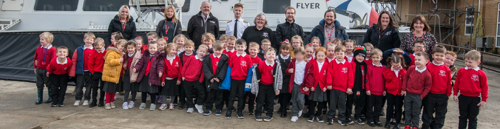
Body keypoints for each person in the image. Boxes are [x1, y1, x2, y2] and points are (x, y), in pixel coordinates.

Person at [453, 50, 488, 129]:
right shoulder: (461, 71)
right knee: (462, 116)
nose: (467, 64)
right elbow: (457, 83)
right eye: (466, 61)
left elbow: (485, 87)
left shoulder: (481, 74)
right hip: (463, 97)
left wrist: (484, 99)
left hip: (475, 99)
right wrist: (455, 94)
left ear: (478, 63)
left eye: (470, 62)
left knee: (473, 118)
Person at [422, 45, 452, 129]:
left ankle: (437, 127)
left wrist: (448, 94)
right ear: (432, 55)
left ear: (444, 56)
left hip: (442, 95)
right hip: (430, 94)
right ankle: (426, 126)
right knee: (427, 112)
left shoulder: (446, 69)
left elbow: (449, 82)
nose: (439, 57)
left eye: (441, 55)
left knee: (441, 114)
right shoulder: (428, 67)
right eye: (437, 55)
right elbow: (424, 81)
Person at [251, 48, 283, 122]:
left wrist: (278, 88)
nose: (271, 56)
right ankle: (258, 114)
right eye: (269, 54)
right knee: (260, 100)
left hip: (271, 86)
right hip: (262, 85)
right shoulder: (261, 64)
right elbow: (255, 76)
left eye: (272, 54)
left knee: (270, 101)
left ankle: (269, 114)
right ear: (265, 56)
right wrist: (254, 88)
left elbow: (279, 77)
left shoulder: (277, 65)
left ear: (275, 56)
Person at [401, 52, 432, 129]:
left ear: (426, 61)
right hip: (408, 94)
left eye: (419, 60)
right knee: (407, 110)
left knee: (416, 112)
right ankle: (407, 124)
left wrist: (422, 96)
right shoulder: (411, 68)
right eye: (416, 60)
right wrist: (404, 89)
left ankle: (415, 125)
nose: (417, 61)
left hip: (418, 96)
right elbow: (405, 78)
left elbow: (428, 87)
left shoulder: (427, 74)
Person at [325, 45, 354, 126]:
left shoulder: (348, 64)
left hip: (343, 89)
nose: (339, 55)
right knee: (332, 104)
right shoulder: (332, 63)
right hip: (333, 88)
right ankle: (330, 117)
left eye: (341, 54)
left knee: (342, 104)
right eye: (337, 53)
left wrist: (349, 87)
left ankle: (341, 118)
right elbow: (329, 74)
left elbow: (350, 77)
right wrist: (329, 83)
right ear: (335, 54)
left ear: (345, 54)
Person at [134, 41, 165, 111]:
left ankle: (153, 103)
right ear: (148, 48)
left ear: (157, 48)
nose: (152, 50)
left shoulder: (159, 57)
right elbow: (140, 63)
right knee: (144, 90)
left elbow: (160, 66)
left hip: (153, 76)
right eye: (151, 48)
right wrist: (136, 68)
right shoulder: (145, 55)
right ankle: (143, 103)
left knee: (152, 91)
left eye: (154, 48)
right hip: (145, 75)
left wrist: (160, 72)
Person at [226, 39, 252, 119]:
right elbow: (230, 68)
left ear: (245, 47)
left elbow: (250, 70)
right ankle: (229, 111)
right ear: (235, 47)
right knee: (232, 96)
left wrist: (248, 82)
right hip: (234, 79)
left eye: (242, 46)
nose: (240, 48)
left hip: (243, 80)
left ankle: (239, 111)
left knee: (241, 96)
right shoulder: (233, 56)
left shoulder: (248, 57)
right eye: (238, 46)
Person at [202, 41, 229, 116]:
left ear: (223, 49)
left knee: (219, 95)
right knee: (210, 95)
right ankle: (208, 108)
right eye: (216, 50)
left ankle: (218, 108)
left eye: (219, 50)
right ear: (213, 49)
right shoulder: (208, 57)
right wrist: (210, 77)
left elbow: (224, 68)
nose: (218, 52)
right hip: (210, 80)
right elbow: (205, 68)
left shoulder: (224, 58)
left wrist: (219, 78)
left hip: (219, 80)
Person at [70, 32, 95, 106]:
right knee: (79, 86)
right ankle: (78, 99)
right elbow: (74, 60)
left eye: (91, 40)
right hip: (80, 72)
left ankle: (87, 99)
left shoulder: (94, 50)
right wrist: (72, 71)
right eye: (87, 39)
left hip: (90, 72)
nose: (89, 41)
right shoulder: (78, 50)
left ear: (93, 41)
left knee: (89, 87)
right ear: (84, 40)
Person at [181, 44, 209, 113]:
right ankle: (190, 106)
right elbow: (185, 66)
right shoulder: (191, 58)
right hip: (187, 79)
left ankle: (199, 104)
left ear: (206, 53)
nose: (202, 53)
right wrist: (183, 75)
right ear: (197, 51)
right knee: (188, 94)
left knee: (202, 92)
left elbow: (203, 72)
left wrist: (201, 79)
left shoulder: (204, 61)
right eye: (201, 51)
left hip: (196, 80)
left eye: (204, 52)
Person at [304, 47, 329, 123]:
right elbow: (310, 76)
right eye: (319, 56)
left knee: (320, 101)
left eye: (322, 56)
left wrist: (326, 86)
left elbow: (328, 76)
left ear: (325, 56)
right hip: (314, 86)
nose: (320, 57)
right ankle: (311, 115)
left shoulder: (327, 65)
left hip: (322, 86)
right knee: (312, 101)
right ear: (316, 56)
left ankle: (319, 115)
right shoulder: (313, 64)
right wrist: (311, 85)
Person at [383, 55, 407, 129]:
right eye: (394, 65)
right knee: (389, 107)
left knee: (398, 108)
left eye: (398, 65)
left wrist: (402, 70)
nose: (396, 67)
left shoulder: (403, 71)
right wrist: (391, 71)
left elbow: (405, 78)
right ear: (391, 64)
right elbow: (387, 78)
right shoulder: (387, 70)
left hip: (399, 93)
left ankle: (397, 122)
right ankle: (388, 121)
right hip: (390, 92)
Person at [346, 46, 368, 125]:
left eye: (362, 56)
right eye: (359, 56)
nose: (360, 58)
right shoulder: (352, 64)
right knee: (349, 102)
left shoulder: (365, 65)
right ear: (355, 56)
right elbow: (350, 76)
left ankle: (358, 116)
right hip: (353, 87)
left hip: (362, 87)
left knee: (360, 103)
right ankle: (348, 116)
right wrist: (350, 87)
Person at [102, 40, 126, 109]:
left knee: (113, 90)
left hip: (116, 75)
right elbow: (109, 61)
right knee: (108, 90)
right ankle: (107, 102)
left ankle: (111, 102)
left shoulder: (121, 54)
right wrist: (119, 60)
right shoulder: (112, 52)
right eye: (121, 46)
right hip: (110, 74)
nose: (122, 48)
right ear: (117, 45)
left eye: (124, 47)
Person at [34, 32, 57, 105]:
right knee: (39, 84)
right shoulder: (38, 48)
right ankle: (40, 98)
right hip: (39, 69)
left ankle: (50, 97)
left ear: (48, 40)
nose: (40, 41)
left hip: (47, 70)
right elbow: (36, 59)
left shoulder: (52, 49)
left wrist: (49, 70)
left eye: (42, 39)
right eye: (40, 39)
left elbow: (53, 60)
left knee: (49, 83)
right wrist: (35, 67)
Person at [286, 47, 307, 122]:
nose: (298, 57)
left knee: (300, 99)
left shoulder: (306, 64)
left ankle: (300, 108)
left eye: (300, 55)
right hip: (295, 83)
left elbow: (309, 75)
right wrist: (289, 70)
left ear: (304, 55)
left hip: (302, 85)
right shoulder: (292, 62)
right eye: (297, 55)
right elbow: (287, 71)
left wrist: (307, 85)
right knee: (294, 99)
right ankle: (295, 114)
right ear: (294, 55)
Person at [365, 48, 385, 127]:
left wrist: (384, 90)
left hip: (380, 92)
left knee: (378, 107)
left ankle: (376, 119)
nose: (375, 59)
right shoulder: (369, 67)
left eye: (377, 57)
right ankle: (370, 120)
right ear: (371, 58)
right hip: (371, 91)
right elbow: (367, 79)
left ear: (381, 58)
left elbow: (385, 80)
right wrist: (367, 89)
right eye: (373, 57)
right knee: (370, 107)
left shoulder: (383, 68)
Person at [177, 40, 196, 109]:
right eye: (186, 47)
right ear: (184, 47)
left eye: (189, 47)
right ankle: (182, 102)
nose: (188, 49)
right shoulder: (181, 55)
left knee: (191, 91)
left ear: (193, 48)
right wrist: (182, 75)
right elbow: (180, 66)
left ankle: (190, 103)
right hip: (183, 76)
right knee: (182, 91)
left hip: (192, 76)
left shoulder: (195, 55)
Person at [88, 38, 107, 107]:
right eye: (96, 48)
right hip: (95, 72)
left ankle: (101, 101)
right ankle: (94, 101)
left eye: (99, 48)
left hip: (103, 73)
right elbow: (90, 63)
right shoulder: (93, 53)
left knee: (102, 88)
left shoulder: (106, 53)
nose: (98, 49)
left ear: (103, 45)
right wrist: (92, 72)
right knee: (94, 88)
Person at [122, 41, 139, 110]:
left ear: (135, 48)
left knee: (134, 89)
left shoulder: (137, 56)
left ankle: (132, 101)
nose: (130, 49)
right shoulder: (125, 55)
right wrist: (124, 65)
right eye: (128, 48)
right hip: (127, 73)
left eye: (132, 48)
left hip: (134, 73)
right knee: (127, 89)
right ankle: (125, 101)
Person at [277, 43, 292, 118]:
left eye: (287, 49)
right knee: (280, 94)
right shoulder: (277, 57)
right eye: (283, 49)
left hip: (287, 79)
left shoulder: (291, 59)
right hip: (279, 79)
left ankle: (284, 110)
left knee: (285, 95)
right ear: (281, 49)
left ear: (289, 50)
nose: (285, 51)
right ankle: (281, 106)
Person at [246, 42, 261, 115]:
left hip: (254, 81)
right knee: (244, 94)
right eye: (251, 49)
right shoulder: (246, 57)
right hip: (246, 80)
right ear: (248, 50)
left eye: (254, 50)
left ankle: (251, 110)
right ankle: (241, 108)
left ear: (258, 50)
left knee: (252, 96)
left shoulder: (259, 60)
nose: (252, 51)